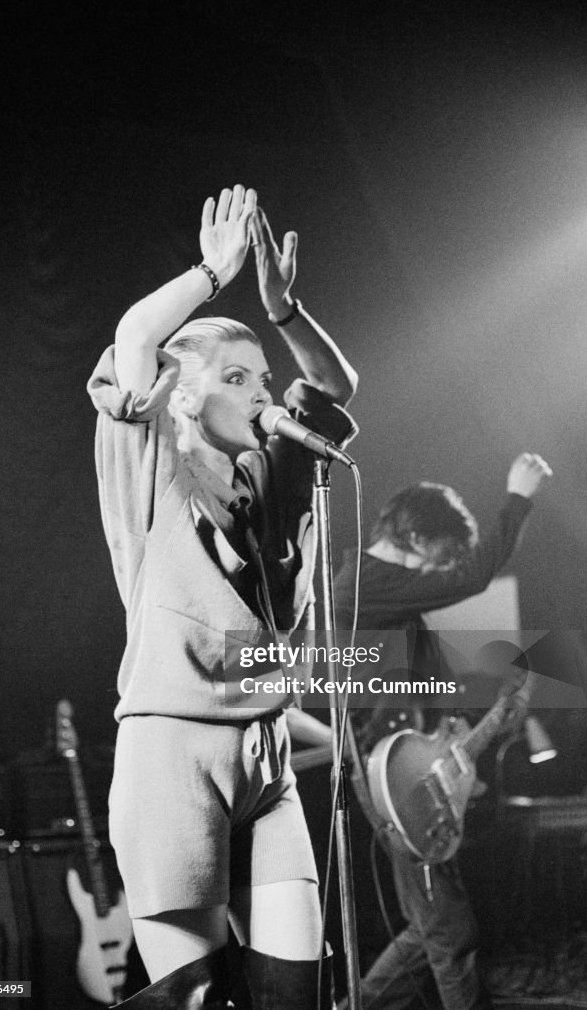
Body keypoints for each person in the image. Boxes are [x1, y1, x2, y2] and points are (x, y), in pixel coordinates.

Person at [87, 185, 358, 1010]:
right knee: (198, 1001)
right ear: (185, 395)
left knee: (292, 994)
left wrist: (286, 312)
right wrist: (214, 272)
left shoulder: (272, 478)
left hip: (265, 758)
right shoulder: (150, 463)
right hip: (173, 754)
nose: (262, 395)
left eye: (262, 379)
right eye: (237, 379)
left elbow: (336, 386)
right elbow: (135, 338)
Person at [333, 454, 552, 1010]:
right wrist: (518, 496)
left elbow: (416, 681)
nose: (443, 571)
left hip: (412, 766)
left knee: (431, 927)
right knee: (449, 933)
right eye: (443, 555)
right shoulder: (364, 581)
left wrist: (455, 726)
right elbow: (474, 576)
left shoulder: (390, 593)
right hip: (389, 778)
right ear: (413, 535)